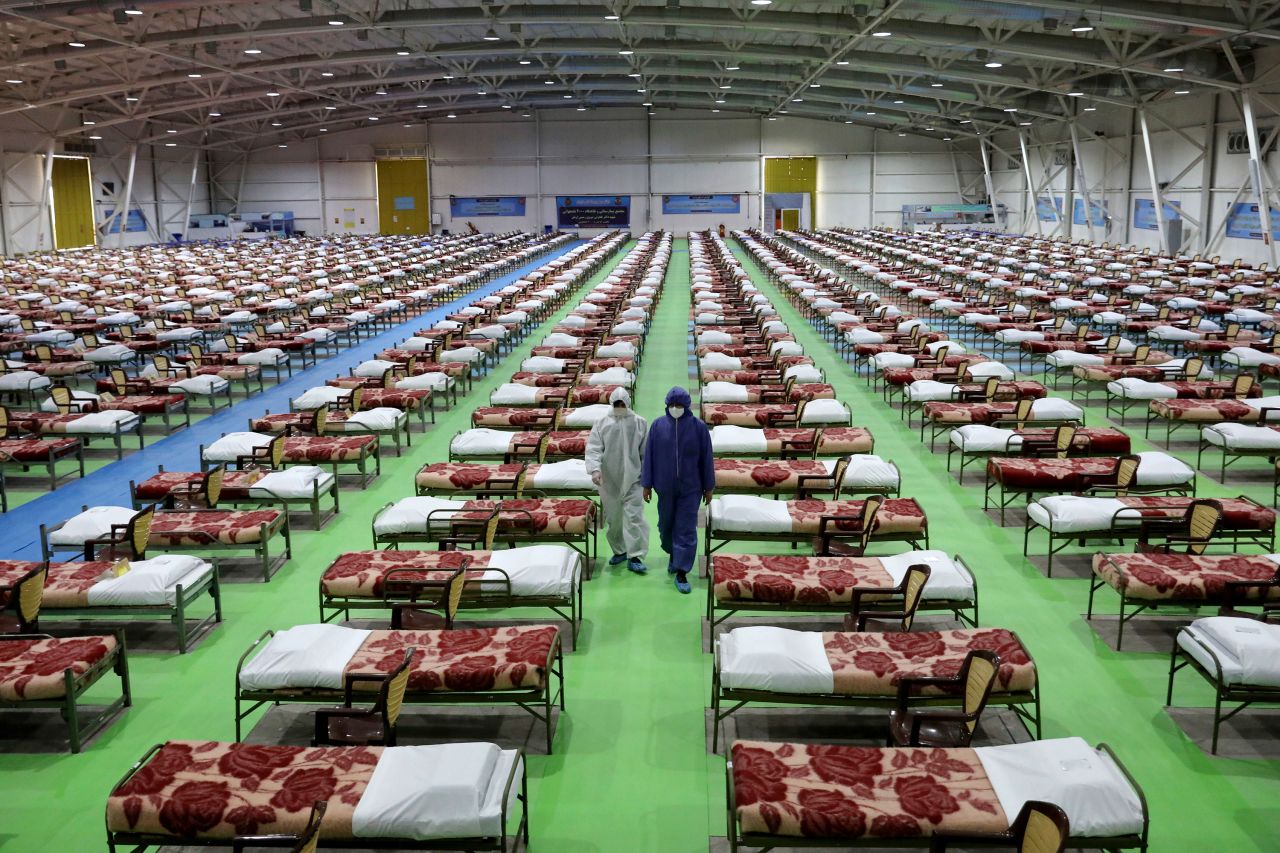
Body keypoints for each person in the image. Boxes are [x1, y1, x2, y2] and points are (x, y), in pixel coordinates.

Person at [641, 387, 715, 594]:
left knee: (685, 528)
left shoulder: (698, 428)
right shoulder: (657, 426)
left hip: (691, 488)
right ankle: (674, 554)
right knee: (666, 526)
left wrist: (708, 487)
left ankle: (682, 571)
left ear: (687, 406)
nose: (675, 409)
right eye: (672, 405)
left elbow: (706, 459)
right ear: (667, 405)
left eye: (679, 405)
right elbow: (649, 457)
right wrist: (646, 484)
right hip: (664, 487)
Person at [584, 386, 649, 573]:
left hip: (634, 479)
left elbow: (645, 452)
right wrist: (594, 470)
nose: (619, 406)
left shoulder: (639, 423)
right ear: (611, 404)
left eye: (622, 404)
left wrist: (647, 476)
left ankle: (635, 556)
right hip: (609, 479)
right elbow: (594, 448)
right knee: (614, 519)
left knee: (634, 518)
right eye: (616, 404)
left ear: (628, 403)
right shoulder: (602, 423)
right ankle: (619, 550)